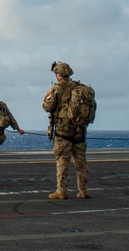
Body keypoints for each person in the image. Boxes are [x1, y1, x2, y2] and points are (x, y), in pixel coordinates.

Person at [42, 61, 94, 199]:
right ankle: (83, 190)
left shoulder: (56, 89)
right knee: (81, 162)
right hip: (80, 131)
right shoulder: (80, 88)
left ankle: (61, 191)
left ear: (58, 75)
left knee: (62, 162)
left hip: (63, 130)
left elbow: (47, 106)